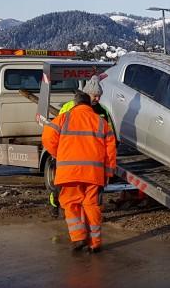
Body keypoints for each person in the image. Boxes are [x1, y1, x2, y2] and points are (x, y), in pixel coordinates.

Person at [42, 90, 117, 252]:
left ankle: (78, 238)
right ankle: (95, 243)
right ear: (89, 104)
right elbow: (111, 149)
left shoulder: (64, 118)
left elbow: (47, 137)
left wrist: (58, 153)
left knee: (71, 204)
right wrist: (109, 172)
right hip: (93, 173)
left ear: (75, 103)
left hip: (68, 173)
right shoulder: (101, 122)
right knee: (91, 205)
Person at [50, 75, 114, 213]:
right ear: (86, 94)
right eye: (95, 95)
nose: (97, 99)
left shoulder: (102, 111)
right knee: (62, 187)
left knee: (89, 195)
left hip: (91, 157)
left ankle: (83, 215)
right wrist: (58, 152)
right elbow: (57, 130)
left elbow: (109, 134)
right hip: (69, 154)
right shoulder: (69, 107)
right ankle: (55, 205)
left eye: (99, 96)